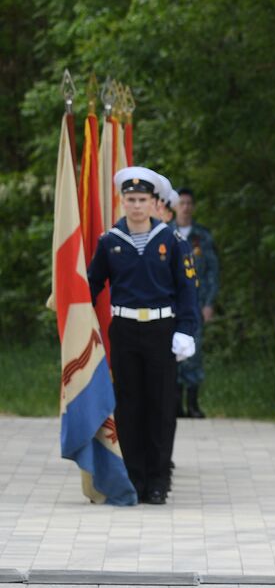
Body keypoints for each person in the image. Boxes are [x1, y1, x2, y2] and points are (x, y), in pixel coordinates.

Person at [86, 166, 198, 504]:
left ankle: (158, 479)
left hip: (161, 329)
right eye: (130, 199)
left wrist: (186, 330)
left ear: (153, 203)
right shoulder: (109, 242)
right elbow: (91, 286)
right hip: (124, 329)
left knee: (162, 405)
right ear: (122, 202)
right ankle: (133, 476)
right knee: (129, 405)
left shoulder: (171, 241)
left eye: (142, 199)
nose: (136, 205)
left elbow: (187, 289)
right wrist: (78, 319)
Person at [175, 188, 220, 418]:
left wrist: (209, 303)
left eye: (188, 203)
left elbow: (212, 271)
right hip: (171, 305)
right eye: (181, 203)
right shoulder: (166, 233)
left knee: (194, 351)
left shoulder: (201, 236)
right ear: (175, 206)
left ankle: (192, 404)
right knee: (171, 352)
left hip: (196, 303)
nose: (185, 207)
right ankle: (174, 405)